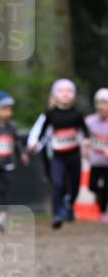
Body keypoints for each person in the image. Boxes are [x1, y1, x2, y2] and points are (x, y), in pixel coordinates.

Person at [27, 79, 89, 228]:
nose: (65, 94)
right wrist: (36, 142)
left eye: (69, 91)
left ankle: (69, 204)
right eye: (61, 91)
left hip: (74, 155)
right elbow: (43, 130)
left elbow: (84, 129)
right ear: (54, 94)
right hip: (58, 156)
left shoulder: (77, 113)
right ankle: (56, 214)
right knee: (57, 183)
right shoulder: (50, 113)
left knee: (75, 185)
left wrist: (86, 141)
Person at [0, 90, 29, 231]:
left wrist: (23, 153)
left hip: (7, 163)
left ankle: (2, 215)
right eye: (4, 109)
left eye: (9, 109)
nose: (8, 113)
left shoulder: (11, 126)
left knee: (4, 188)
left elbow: (17, 141)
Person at [85, 87, 108, 223]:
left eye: (105, 103)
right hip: (96, 161)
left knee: (106, 187)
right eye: (99, 103)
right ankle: (100, 198)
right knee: (92, 186)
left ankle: (102, 212)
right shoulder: (89, 121)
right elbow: (83, 137)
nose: (102, 107)